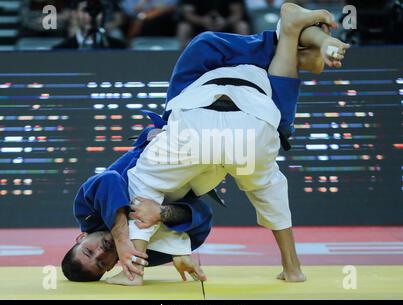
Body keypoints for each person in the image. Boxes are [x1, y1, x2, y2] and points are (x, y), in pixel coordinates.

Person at [121, 3, 349, 283]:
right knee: (270, 185)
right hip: (251, 116)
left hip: (197, 118)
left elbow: (147, 194)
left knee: (144, 183)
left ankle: (134, 272)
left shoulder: (225, 63)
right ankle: (293, 268)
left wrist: (162, 132)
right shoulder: (271, 68)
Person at [61, 111, 213, 283]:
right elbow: (203, 217)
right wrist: (163, 213)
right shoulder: (143, 257)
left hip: (170, 141)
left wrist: (121, 237)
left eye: (88, 251)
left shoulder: (86, 210)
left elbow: (109, 179)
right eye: (102, 263)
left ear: (81, 238)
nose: (101, 252)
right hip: (206, 168)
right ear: (111, 267)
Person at [177, 0, 250, 47]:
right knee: (183, 27)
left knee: (242, 26)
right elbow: (188, 14)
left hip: (226, 26)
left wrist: (225, 21)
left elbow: (237, 13)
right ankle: (182, 57)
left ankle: (245, 55)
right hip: (199, 26)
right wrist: (202, 21)